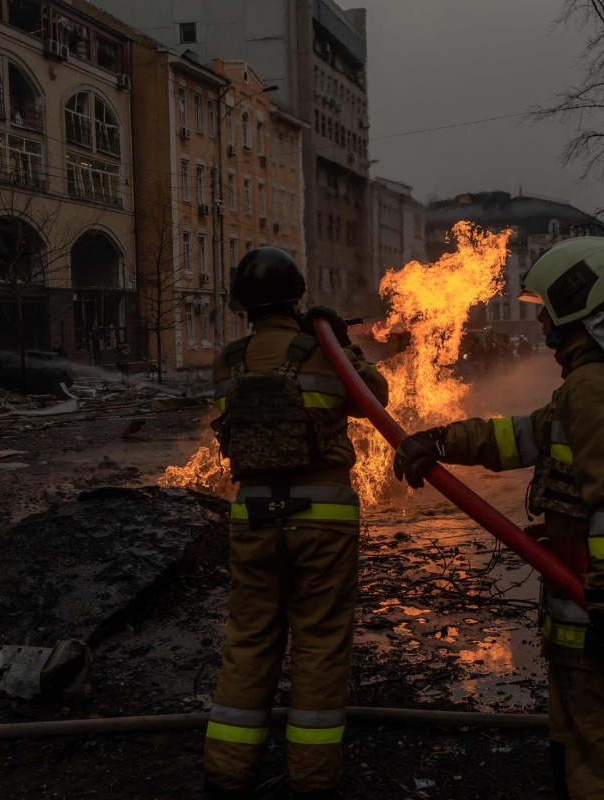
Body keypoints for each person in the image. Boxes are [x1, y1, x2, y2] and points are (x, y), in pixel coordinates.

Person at [393, 237, 604, 800]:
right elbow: (524, 435)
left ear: (577, 307)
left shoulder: (595, 387)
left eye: (551, 314)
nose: (546, 332)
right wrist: (441, 440)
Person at [203, 247, 389, 799]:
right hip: (323, 522)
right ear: (297, 296)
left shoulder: (228, 362)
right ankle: (311, 779)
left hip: (253, 519)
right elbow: (376, 399)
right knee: (320, 644)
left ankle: (228, 773)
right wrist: (340, 342)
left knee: (249, 640)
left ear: (243, 305)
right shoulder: (323, 355)